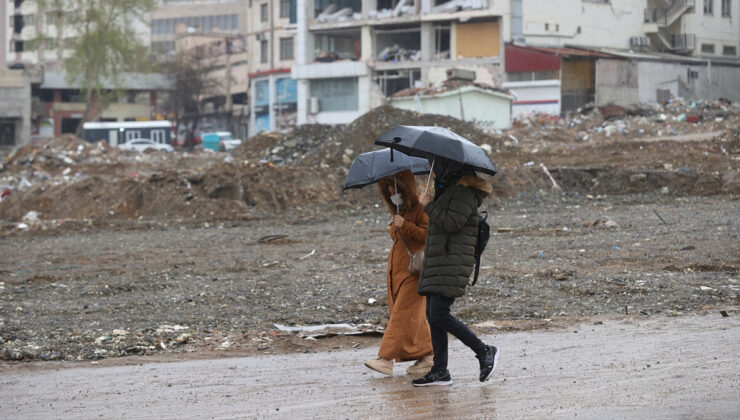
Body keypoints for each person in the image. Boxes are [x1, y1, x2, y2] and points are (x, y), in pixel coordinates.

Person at [412, 158, 499, 387]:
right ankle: (440, 371)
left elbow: (452, 222)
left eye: (438, 165)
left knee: (439, 313)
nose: (436, 169)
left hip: (452, 261)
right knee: (434, 315)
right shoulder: (449, 189)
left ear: (451, 167)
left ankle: (484, 351)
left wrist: (428, 205)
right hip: (440, 260)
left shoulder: (464, 192)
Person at [364, 170, 434, 376]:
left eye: (395, 187)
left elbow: (427, 235)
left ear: (406, 186)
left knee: (403, 314)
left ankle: (385, 359)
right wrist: (396, 227)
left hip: (413, 272)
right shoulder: (400, 210)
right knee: (411, 315)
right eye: (388, 189)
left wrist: (406, 226)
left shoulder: (422, 208)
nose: (392, 192)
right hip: (397, 272)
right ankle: (427, 356)